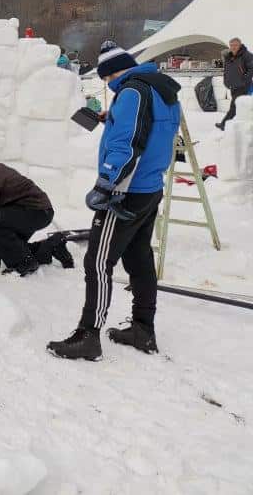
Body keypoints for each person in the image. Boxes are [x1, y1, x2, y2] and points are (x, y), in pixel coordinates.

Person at [48, 41, 180, 361]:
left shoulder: (132, 93)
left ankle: (88, 335)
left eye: (107, 79)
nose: (107, 84)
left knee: (97, 261)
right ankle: (143, 329)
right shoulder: (162, 89)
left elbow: (127, 144)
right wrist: (115, 117)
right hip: (150, 187)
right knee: (138, 258)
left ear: (114, 72)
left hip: (125, 192)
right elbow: (152, 130)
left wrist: (107, 185)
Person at [216, 37, 253, 130]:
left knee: (234, 106)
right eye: (231, 45)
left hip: (243, 86)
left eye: (235, 45)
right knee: (237, 107)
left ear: (240, 45)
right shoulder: (229, 57)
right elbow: (227, 71)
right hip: (233, 86)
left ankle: (224, 124)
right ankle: (237, 126)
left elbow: (251, 69)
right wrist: (226, 81)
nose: (233, 47)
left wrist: (244, 80)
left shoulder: (246, 55)